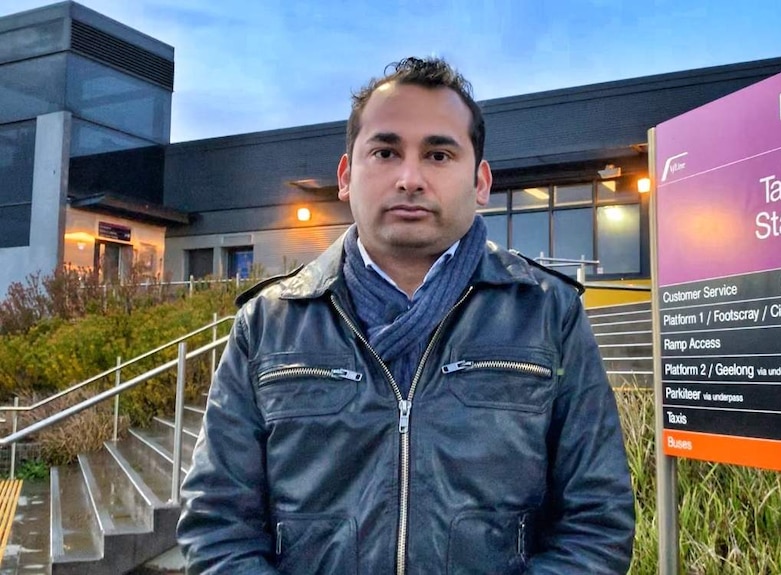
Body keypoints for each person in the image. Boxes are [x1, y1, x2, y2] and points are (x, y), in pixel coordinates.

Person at [177, 56, 635, 574]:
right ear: (347, 175)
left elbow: (597, 524)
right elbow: (217, 525)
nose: (410, 178)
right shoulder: (269, 322)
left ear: (481, 182)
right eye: (386, 151)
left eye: (439, 154)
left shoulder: (548, 313)